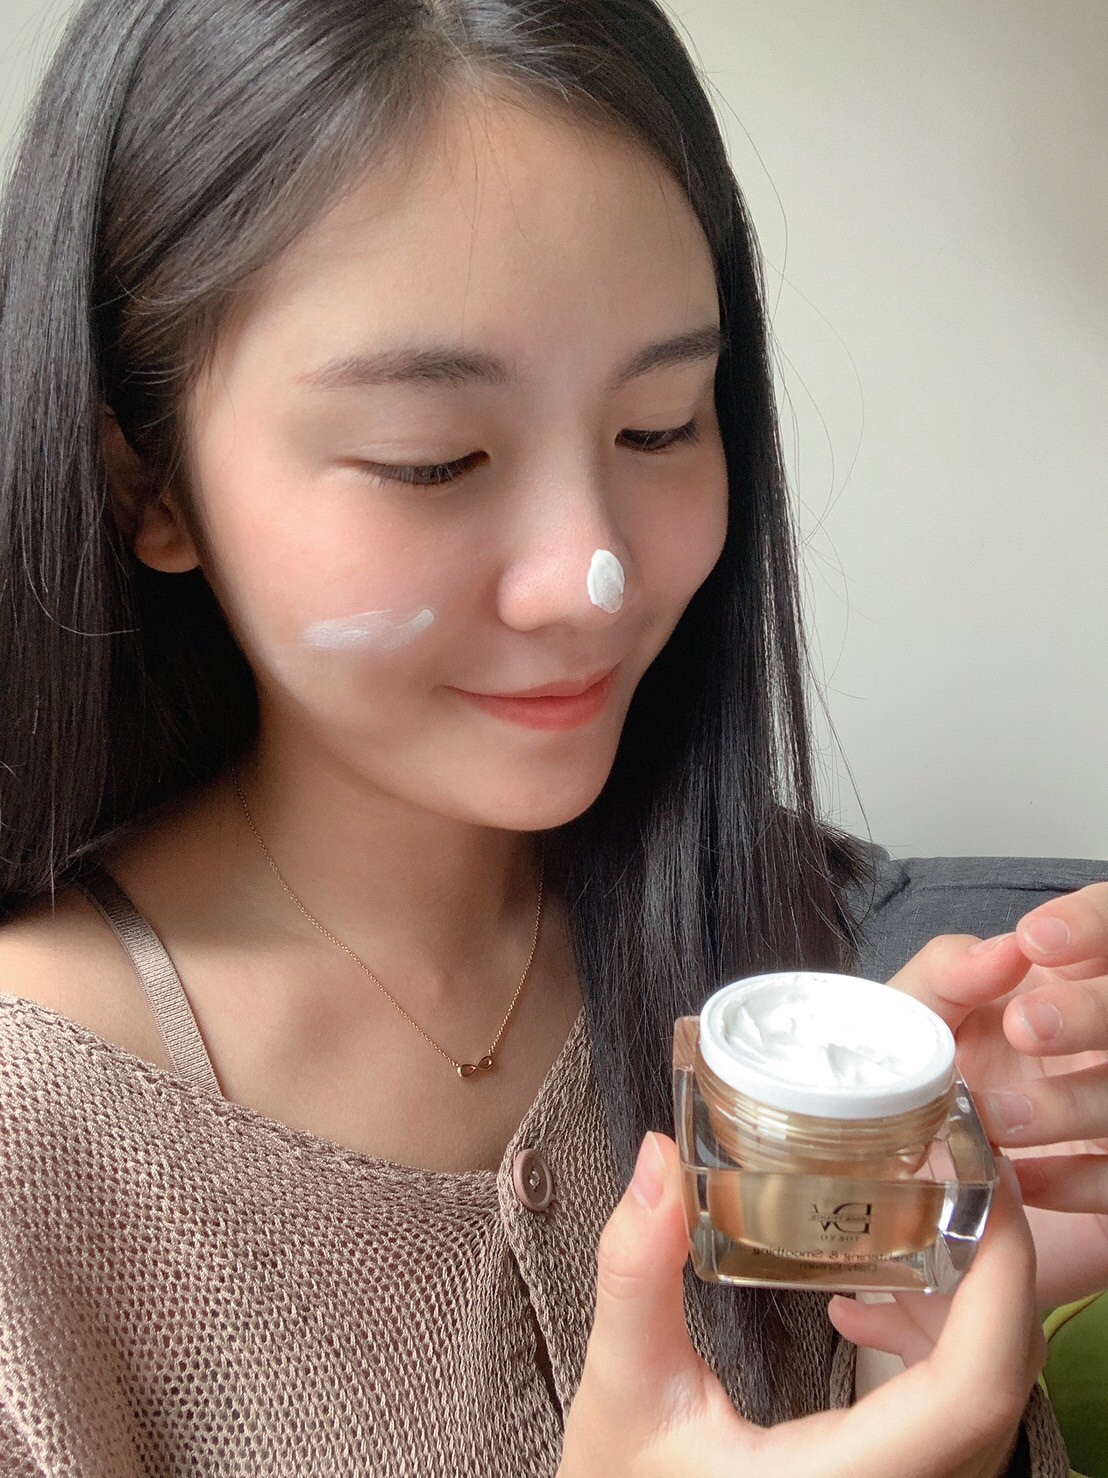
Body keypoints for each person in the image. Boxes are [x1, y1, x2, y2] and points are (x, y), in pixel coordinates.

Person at [0, 1, 1102, 1473]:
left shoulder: (798, 961)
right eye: (432, 459)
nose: (596, 576)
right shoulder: (36, 1146)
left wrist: (931, 1351)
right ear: (150, 483)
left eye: (661, 426)